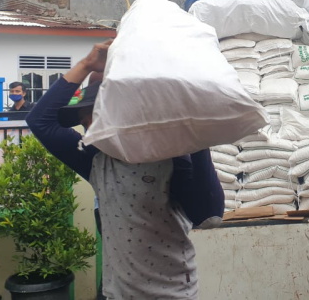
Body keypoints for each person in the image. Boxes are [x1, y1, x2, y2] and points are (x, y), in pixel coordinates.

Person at [26, 40, 225, 299]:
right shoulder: (95, 160)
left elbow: (208, 215)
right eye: (84, 119)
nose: (87, 125)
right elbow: (39, 121)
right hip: (115, 293)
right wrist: (86, 65)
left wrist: (197, 139)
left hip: (171, 294)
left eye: (93, 115)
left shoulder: (169, 159)